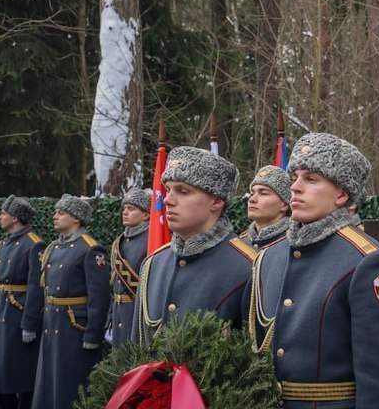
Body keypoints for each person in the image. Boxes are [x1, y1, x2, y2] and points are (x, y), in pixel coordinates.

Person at [247, 132, 379, 408]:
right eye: (294, 177)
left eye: (311, 179)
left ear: (342, 194)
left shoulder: (366, 261)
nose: (295, 187)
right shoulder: (268, 257)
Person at [133, 146, 255, 341]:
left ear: (216, 201)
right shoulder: (153, 264)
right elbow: (136, 350)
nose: (167, 200)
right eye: (168, 190)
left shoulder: (249, 267)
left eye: (183, 191)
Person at [30, 195, 110, 409]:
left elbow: (99, 296)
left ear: (76, 218)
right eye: (55, 212)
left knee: (69, 386)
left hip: (74, 328)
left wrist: (93, 334)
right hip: (52, 324)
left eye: (61, 213)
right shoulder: (54, 247)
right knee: (49, 383)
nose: (55, 216)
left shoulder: (91, 249)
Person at [0, 196, 46, 409]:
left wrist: (30, 323)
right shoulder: (4, 243)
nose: (0, 217)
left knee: (19, 376)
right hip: (0, 311)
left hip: (17, 315)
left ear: (14, 218)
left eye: (3, 213)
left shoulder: (34, 245)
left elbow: (36, 287)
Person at [109, 188, 150, 347]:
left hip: (137, 314)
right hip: (119, 313)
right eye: (124, 208)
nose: (125, 212)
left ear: (146, 214)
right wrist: (111, 317)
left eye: (131, 209)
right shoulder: (119, 242)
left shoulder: (151, 241)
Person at [241, 165, 290, 250]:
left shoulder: (293, 243)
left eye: (263, 193)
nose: (252, 199)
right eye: (252, 194)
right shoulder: (240, 242)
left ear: (285, 204)